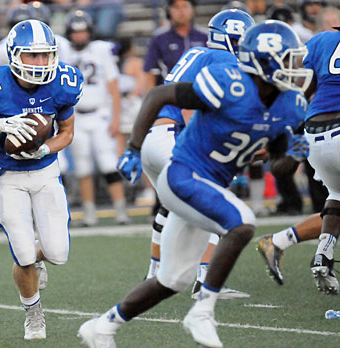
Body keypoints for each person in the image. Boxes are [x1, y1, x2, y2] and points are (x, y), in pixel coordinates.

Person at [79, 20, 311, 348]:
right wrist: (133, 147)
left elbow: (280, 167)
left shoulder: (291, 105)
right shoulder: (231, 83)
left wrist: (296, 153)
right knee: (242, 223)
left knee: (173, 279)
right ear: (264, 61)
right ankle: (202, 312)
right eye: (288, 58)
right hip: (184, 174)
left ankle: (103, 326)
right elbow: (160, 94)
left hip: (208, 185)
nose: (296, 67)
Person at [119, 9, 254, 299]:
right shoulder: (224, 59)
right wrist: (203, 145)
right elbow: (191, 104)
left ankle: (154, 273)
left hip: (152, 141)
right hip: (173, 137)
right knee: (211, 204)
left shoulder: (197, 53)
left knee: (169, 207)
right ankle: (205, 282)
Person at [0, 19, 83, 340]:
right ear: (14, 54)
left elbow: (67, 133)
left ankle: (35, 259)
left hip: (45, 171)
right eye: (33, 56)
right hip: (7, 177)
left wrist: (44, 146)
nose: (41, 63)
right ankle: (33, 311)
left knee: (58, 253)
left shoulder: (64, 82)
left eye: (46, 55)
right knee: (23, 253)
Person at [63, 10, 129, 226]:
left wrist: (116, 118)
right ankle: (89, 213)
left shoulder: (101, 51)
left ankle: (120, 211)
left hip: (100, 114)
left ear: (89, 32)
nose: (79, 36)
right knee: (82, 168)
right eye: (75, 32)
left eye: (83, 32)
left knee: (109, 164)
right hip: (77, 116)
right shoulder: (63, 53)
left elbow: (113, 86)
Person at [302, 25, 340, 295]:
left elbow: (304, 86)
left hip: (313, 132)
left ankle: (323, 254)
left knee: (337, 192)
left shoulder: (322, 39)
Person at [143, 0, 207, 90]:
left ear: (193, 9)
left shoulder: (205, 37)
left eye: (185, 6)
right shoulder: (159, 38)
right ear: (168, 11)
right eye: (176, 7)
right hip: (169, 95)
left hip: (200, 93)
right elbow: (151, 72)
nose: (181, 11)